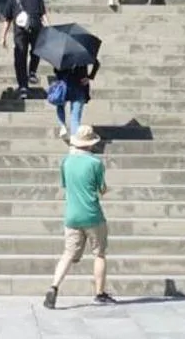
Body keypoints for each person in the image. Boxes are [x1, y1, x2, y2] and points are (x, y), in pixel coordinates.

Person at [43, 124, 114, 309]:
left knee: (68, 254)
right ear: (91, 143)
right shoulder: (95, 163)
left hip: (72, 215)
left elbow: (66, 185)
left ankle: (53, 287)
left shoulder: (66, 162)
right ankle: (99, 293)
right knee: (99, 254)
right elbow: (101, 189)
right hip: (92, 214)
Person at [1, 0, 46, 96]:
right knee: (36, 50)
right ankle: (32, 72)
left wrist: (3, 36)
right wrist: (49, 28)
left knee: (20, 56)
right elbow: (43, 14)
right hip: (36, 26)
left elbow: (7, 19)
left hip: (20, 30)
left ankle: (23, 86)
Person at [50, 61, 95, 142]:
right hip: (79, 85)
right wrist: (90, 77)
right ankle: (75, 139)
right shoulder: (83, 55)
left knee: (60, 104)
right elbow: (96, 63)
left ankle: (63, 125)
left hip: (65, 84)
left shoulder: (62, 56)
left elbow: (56, 70)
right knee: (75, 117)